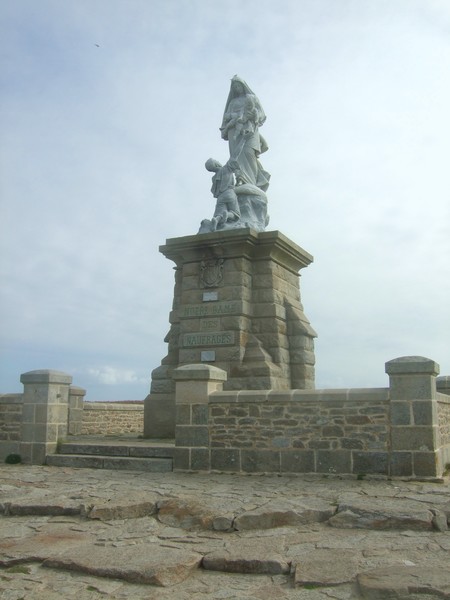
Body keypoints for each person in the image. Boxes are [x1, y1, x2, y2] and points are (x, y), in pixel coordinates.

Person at [220, 75, 270, 192]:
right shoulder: (232, 102)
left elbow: (261, 114)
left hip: (251, 129)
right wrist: (235, 118)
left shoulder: (252, 97)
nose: (237, 88)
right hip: (234, 131)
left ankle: (252, 182)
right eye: (235, 87)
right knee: (237, 157)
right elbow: (226, 116)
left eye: (238, 86)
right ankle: (240, 179)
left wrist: (253, 116)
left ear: (243, 86)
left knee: (249, 153)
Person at [205, 158, 241, 231]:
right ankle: (227, 215)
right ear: (215, 164)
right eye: (216, 160)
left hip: (220, 197)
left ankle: (216, 220)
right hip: (229, 192)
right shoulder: (226, 168)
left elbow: (213, 191)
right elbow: (235, 156)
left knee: (219, 214)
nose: (218, 161)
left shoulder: (214, 178)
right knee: (236, 214)